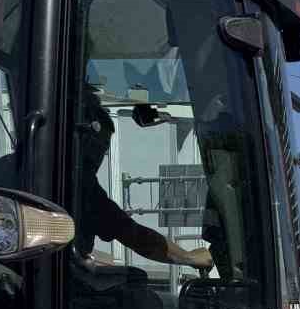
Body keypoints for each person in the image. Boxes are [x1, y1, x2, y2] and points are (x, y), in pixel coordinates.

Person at [73, 85, 213, 271]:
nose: (99, 158)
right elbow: (133, 235)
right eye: (98, 149)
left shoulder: (76, 181)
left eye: (103, 150)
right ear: (83, 142)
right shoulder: (82, 188)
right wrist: (188, 257)